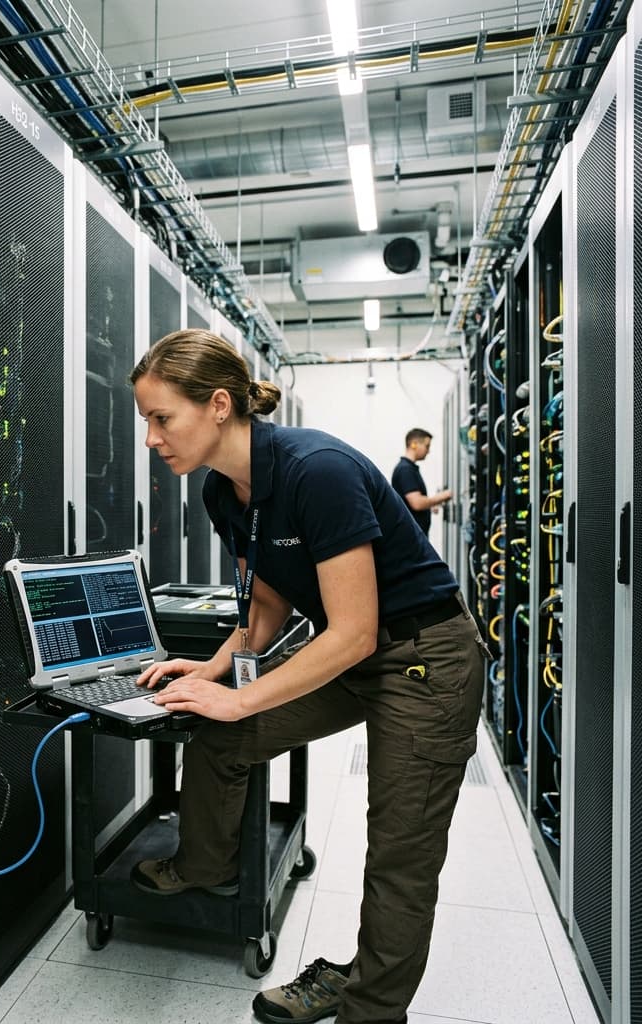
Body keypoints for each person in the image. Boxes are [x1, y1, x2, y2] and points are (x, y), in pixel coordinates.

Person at [128, 329, 487, 1024]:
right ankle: (203, 869)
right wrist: (208, 673)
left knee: (398, 852)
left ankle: (371, 1007)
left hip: (424, 659)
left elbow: (353, 630)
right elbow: (265, 605)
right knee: (219, 732)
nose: (151, 438)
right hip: (354, 654)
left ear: (220, 406)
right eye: (147, 420)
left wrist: (240, 699)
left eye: (161, 418)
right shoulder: (222, 494)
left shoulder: (314, 470)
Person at [391, 429, 452, 535]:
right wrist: (443, 496)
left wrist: (430, 504)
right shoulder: (406, 469)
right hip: (410, 537)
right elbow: (417, 503)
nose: (428, 451)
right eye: (427, 446)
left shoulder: (408, 468)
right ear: (413, 445)